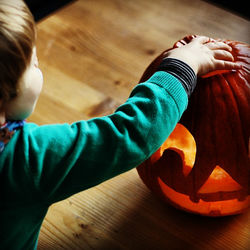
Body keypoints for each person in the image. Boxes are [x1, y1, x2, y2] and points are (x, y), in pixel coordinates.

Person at [0, 0, 240, 249]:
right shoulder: (24, 160)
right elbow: (130, 134)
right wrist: (182, 66)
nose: (40, 68)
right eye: (35, 63)